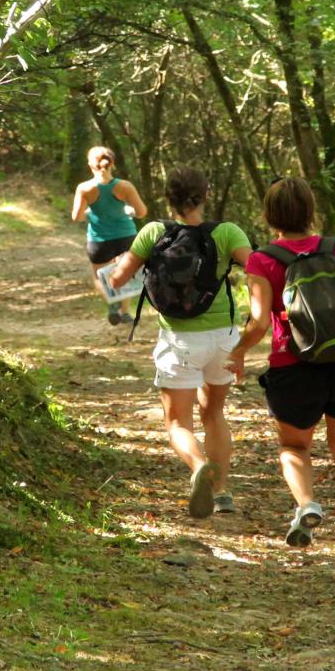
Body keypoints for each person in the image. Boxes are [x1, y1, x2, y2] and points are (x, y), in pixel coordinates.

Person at [228, 176, 335, 555]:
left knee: (293, 446)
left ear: (270, 216)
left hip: (293, 365)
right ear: (311, 211)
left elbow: (259, 323)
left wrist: (237, 351)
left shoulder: (262, 260)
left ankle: (307, 504)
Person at [107, 167, 248, 517]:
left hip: (178, 340)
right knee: (214, 413)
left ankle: (199, 466)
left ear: (167, 197)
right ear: (206, 194)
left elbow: (117, 280)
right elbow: (258, 267)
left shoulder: (153, 232)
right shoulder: (227, 232)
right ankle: (221, 492)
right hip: (223, 339)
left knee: (178, 423)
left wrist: (121, 265)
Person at [72, 146, 148, 325]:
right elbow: (142, 212)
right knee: (125, 273)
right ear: (112, 163)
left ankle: (112, 302)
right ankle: (125, 312)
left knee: (98, 276)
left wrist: (89, 213)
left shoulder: (84, 188)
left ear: (90, 164)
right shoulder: (125, 186)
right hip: (126, 236)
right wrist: (128, 211)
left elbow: (76, 217)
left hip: (99, 239)